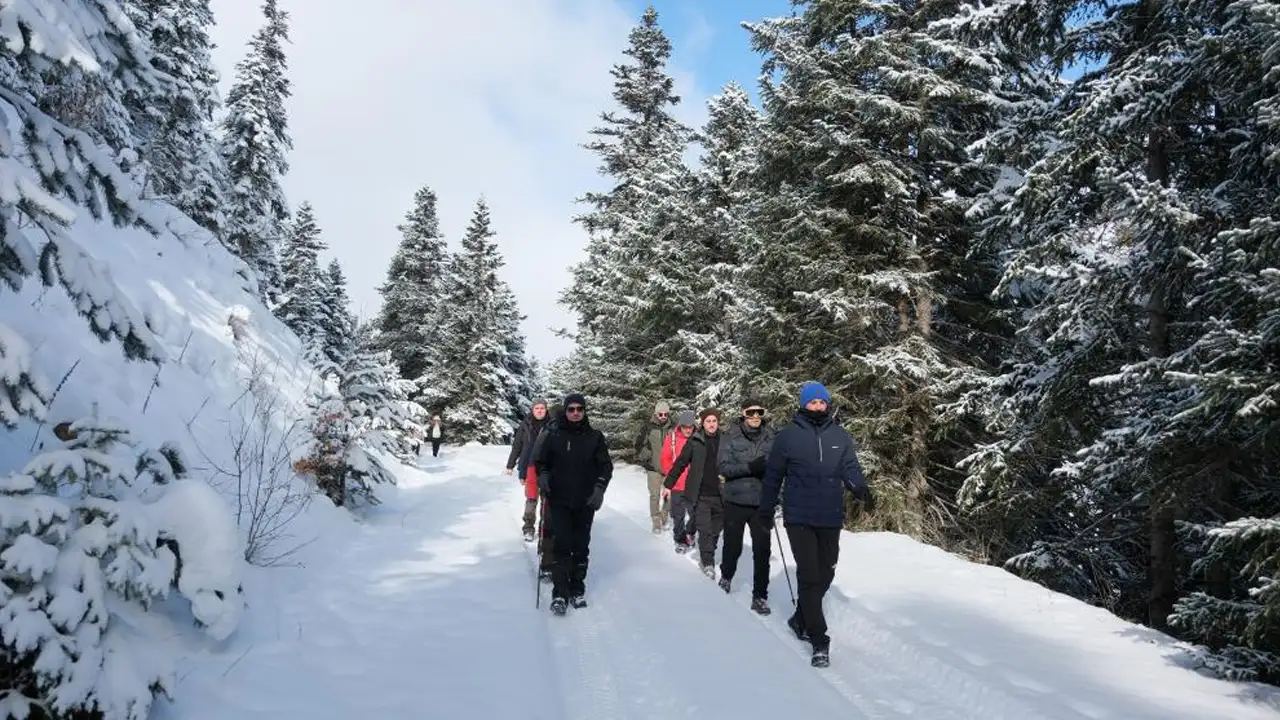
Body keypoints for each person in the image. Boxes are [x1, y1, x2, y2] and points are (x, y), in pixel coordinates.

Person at [757, 381, 874, 668]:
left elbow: (850, 468)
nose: (818, 407)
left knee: (826, 572)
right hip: (799, 517)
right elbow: (773, 476)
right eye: (813, 402)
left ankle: (800, 619)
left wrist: (861, 489)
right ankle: (819, 639)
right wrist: (765, 508)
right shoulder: (788, 437)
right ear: (803, 404)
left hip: (830, 515)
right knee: (809, 576)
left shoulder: (840, 436)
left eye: (822, 402)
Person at [534, 393, 613, 614]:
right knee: (562, 546)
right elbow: (541, 461)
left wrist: (599, 488)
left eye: (579, 409)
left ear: (584, 411)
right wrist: (543, 476)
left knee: (580, 546)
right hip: (558, 499)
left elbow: (606, 467)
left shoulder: (595, 437)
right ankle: (560, 593)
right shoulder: (554, 434)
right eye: (571, 409)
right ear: (566, 411)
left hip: (585, 502)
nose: (576, 413)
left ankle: (577, 588)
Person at [717, 398, 777, 615]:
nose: (755, 416)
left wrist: (775, 494)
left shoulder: (771, 436)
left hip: (761, 502)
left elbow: (779, 468)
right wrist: (750, 467)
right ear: (743, 414)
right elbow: (723, 467)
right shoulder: (730, 436)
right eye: (751, 412)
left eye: (759, 412)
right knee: (733, 547)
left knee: (762, 551)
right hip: (736, 500)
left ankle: (760, 596)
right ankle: (726, 577)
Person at [662, 408, 724, 579]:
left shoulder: (725, 440)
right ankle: (707, 561)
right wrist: (668, 484)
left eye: (714, 421)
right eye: (708, 421)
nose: (711, 424)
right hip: (701, 494)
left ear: (718, 423)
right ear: (702, 424)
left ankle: (709, 550)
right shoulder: (695, 441)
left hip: (721, 494)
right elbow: (680, 463)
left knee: (716, 529)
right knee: (704, 529)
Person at [505, 400, 550, 543]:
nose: (539, 411)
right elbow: (517, 446)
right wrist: (510, 465)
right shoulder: (525, 425)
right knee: (531, 498)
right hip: (530, 466)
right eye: (537, 408)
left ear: (546, 409)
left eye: (542, 408)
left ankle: (545, 529)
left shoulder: (553, 425)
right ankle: (528, 528)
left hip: (548, 468)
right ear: (532, 410)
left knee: (547, 499)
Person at [659, 410, 697, 553]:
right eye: (685, 427)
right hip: (677, 484)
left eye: (690, 427)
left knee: (696, 513)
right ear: (680, 426)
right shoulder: (672, 438)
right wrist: (673, 476)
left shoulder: (698, 438)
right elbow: (665, 459)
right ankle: (680, 539)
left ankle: (690, 532)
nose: (688, 430)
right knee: (678, 515)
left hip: (694, 484)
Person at [634, 400, 672, 533]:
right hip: (653, 467)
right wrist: (646, 455)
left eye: (665, 414)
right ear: (656, 414)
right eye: (660, 414)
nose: (663, 417)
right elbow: (638, 443)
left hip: (669, 468)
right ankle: (656, 520)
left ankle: (664, 517)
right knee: (655, 495)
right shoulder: (648, 427)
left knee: (668, 496)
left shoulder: (673, 428)